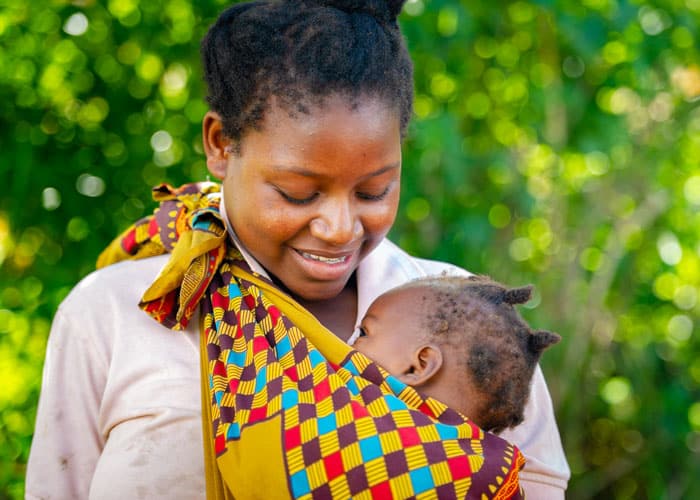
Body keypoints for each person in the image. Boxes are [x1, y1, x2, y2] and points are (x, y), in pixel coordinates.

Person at [26, 0, 570, 498]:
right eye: (297, 193)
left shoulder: (472, 326)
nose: (339, 227)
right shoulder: (114, 314)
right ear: (220, 143)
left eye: (374, 190)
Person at [351, 275, 561, 434]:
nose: (348, 343)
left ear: (419, 365)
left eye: (363, 333)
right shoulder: (487, 476)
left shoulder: (350, 422)